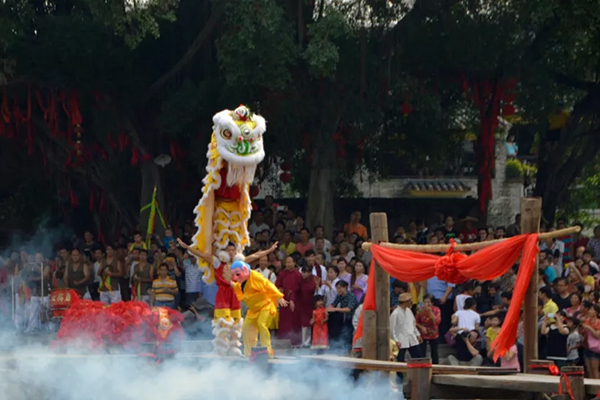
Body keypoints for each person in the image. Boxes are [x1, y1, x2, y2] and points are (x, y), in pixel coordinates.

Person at [230, 260, 288, 358]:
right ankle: (249, 353)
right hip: (253, 309)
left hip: (265, 305)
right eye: (233, 275)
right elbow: (238, 287)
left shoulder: (256, 276)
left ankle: (268, 352)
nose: (235, 277)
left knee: (262, 324)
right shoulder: (241, 281)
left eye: (237, 274)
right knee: (246, 328)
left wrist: (278, 297)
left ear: (244, 270)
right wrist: (230, 283)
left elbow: (268, 285)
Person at [276, 255, 303, 346]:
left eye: (290, 262)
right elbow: (278, 285)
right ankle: (283, 340)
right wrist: (280, 289)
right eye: (287, 262)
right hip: (284, 301)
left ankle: (295, 342)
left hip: (295, 301)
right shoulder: (282, 274)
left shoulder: (298, 275)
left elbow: (299, 288)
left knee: (295, 321)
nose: (288, 264)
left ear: (294, 263)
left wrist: (292, 296)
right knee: (284, 321)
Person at [327, 280, 359, 353]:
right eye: (337, 288)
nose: (339, 290)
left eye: (340, 288)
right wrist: (328, 309)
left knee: (349, 333)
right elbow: (334, 304)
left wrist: (335, 309)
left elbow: (348, 309)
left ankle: (349, 350)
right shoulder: (339, 295)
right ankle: (340, 349)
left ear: (345, 287)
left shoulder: (351, 296)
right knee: (343, 333)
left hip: (353, 317)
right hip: (344, 317)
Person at [391, 292, 422, 362]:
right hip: (401, 339)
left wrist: (417, 334)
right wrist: (396, 340)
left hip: (411, 337)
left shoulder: (409, 311)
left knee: (418, 357)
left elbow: (413, 324)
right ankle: (400, 373)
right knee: (400, 359)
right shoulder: (395, 313)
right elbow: (392, 329)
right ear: (405, 302)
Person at [416, 294, 441, 364]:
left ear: (432, 303)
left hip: (433, 332)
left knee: (434, 351)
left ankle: (435, 367)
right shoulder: (420, 310)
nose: (426, 304)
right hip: (423, 332)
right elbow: (416, 322)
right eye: (425, 302)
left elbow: (437, 322)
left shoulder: (437, 310)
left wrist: (430, 313)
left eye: (428, 302)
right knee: (422, 351)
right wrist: (421, 327)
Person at [299, 266, 317, 348]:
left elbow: (318, 291)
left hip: (312, 303)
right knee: (304, 323)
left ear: (310, 273)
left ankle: (309, 341)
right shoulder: (300, 280)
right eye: (303, 272)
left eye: (305, 272)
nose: (304, 274)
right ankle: (304, 342)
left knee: (311, 323)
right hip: (303, 303)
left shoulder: (315, 279)